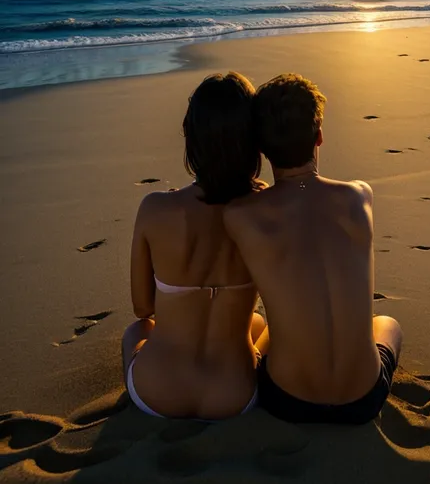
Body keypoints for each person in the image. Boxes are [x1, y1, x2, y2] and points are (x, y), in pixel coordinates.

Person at [224, 73, 402, 425]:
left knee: (269, 326)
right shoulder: (359, 196)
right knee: (386, 322)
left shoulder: (241, 214)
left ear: (260, 148)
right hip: (364, 400)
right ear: (319, 136)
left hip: (288, 400)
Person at [122, 72, 267, 420]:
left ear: (192, 137)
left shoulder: (155, 208)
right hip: (237, 395)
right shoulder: (266, 208)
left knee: (137, 331)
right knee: (258, 323)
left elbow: (143, 309)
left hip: (155, 394)